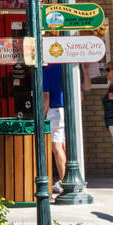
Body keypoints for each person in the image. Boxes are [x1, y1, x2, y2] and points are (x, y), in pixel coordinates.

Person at [42, 62, 66, 196]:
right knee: (64, 145)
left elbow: (46, 96)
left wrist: (43, 114)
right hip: (68, 109)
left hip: (54, 110)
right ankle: (68, 178)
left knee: (56, 147)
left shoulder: (47, 71)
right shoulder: (67, 67)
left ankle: (63, 181)